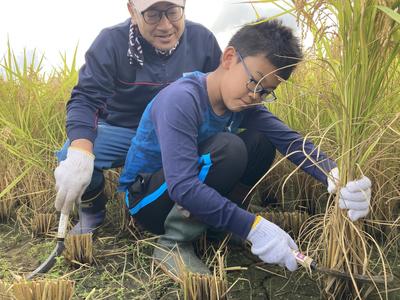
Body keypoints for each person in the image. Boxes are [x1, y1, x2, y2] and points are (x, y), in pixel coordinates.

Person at [117, 18, 372, 278]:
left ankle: (218, 227)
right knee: (229, 147)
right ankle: (174, 243)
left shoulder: (243, 104)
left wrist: (336, 174)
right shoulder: (182, 99)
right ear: (229, 58)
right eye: (254, 82)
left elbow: (291, 141)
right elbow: (182, 186)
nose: (255, 96)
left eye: (265, 92)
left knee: (261, 141)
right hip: (147, 201)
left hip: (179, 192)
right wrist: (253, 227)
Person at [53, 0, 222, 234]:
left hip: (180, 131)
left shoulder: (203, 40)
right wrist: (80, 152)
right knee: (70, 152)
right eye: (152, 14)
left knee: (224, 147)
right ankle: (92, 212)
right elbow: (85, 99)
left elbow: (221, 92)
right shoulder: (111, 42)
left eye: (173, 12)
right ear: (133, 12)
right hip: (125, 130)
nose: (165, 25)